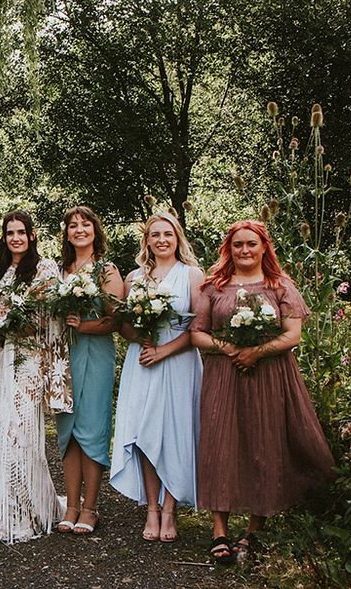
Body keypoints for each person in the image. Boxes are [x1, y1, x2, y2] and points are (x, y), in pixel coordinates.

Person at [190, 220, 334, 563]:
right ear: (229, 248)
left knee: (263, 444)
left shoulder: (279, 285)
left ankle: (254, 530)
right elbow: (197, 334)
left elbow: (293, 334)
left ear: (264, 247)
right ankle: (219, 531)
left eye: (251, 244)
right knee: (219, 445)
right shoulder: (215, 287)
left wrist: (257, 351)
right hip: (224, 375)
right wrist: (230, 349)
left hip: (269, 376)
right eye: (238, 244)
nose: (244, 250)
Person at [110, 212, 204, 543]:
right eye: (155, 235)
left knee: (174, 432)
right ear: (147, 241)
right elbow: (121, 323)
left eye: (167, 234)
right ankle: (151, 507)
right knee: (145, 431)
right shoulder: (135, 278)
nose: (161, 240)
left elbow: (197, 328)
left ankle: (170, 509)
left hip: (177, 361)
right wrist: (141, 339)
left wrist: (163, 351)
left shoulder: (192, 275)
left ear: (177, 238)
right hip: (143, 360)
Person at [0, 210, 69, 542]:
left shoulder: (45, 269)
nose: (15, 237)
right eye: (10, 233)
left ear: (32, 235)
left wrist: (13, 320)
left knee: (19, 433)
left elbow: (48, 319)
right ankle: (1, 508)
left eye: (21, 232)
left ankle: (29, 510)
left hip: (28, 359)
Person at [55, 206, 123, 535]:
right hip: (62, 355)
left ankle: (91, 507)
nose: (79, 229)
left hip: (94, 352)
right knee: (67, 429)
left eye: (85, 224)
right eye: (73, 225)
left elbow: (116, 318)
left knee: (92, 429)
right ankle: (70, 505)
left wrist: (84, 326)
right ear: (66, 233)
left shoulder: (106, 270)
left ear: (95, 230)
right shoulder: (57, 270)